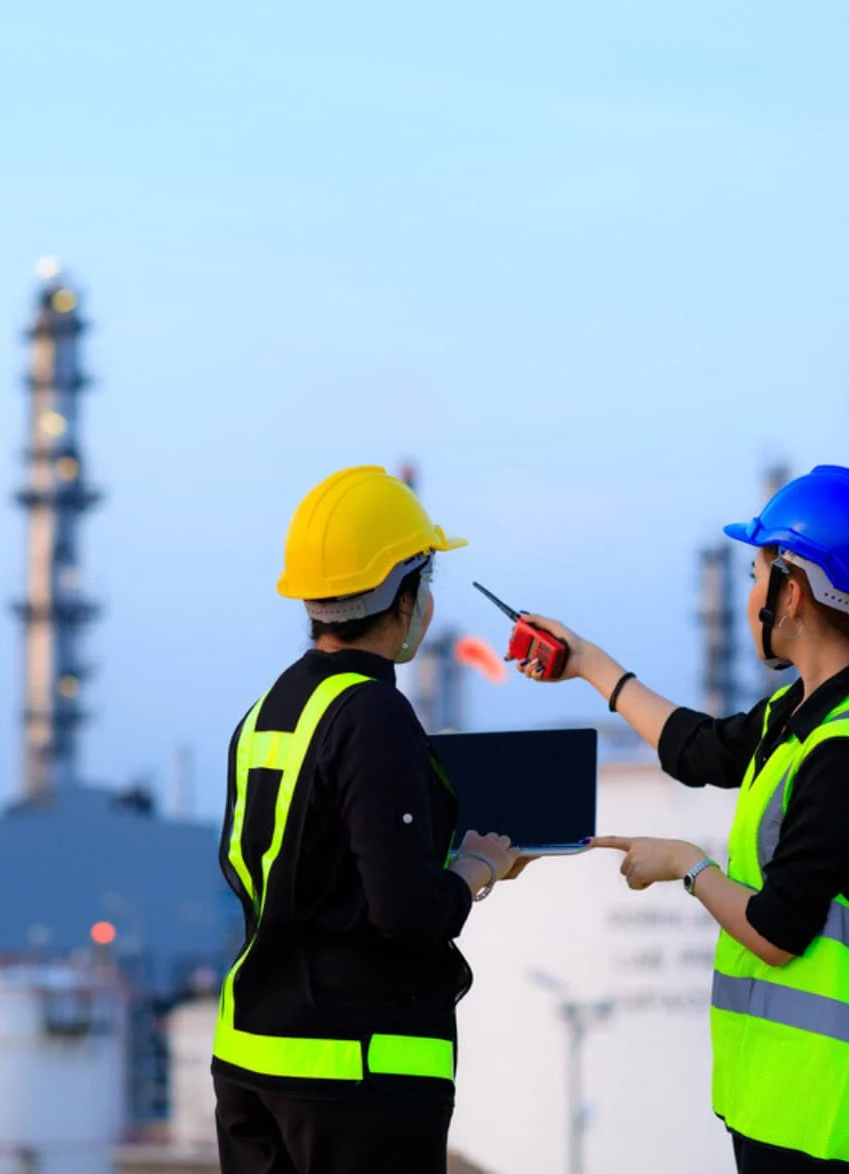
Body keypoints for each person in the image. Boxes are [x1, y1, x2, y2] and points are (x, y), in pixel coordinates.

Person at [515, 464, 849, 1174]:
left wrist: (688, 866)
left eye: (757, 573)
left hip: (825, 1122)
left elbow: (779, 932)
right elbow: (697, 750)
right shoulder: (804, 714)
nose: (749, 591)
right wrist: (588, 663)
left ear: (792, 594)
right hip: (787, 1106)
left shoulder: (844, 749)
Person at [212, 465, 523, 1174]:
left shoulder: (270, 709)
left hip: (251, 1055)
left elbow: (296, 870)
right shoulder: (373, 712)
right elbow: (405, 913)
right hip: (352, 1076)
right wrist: (475, 869)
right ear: (405, 595)